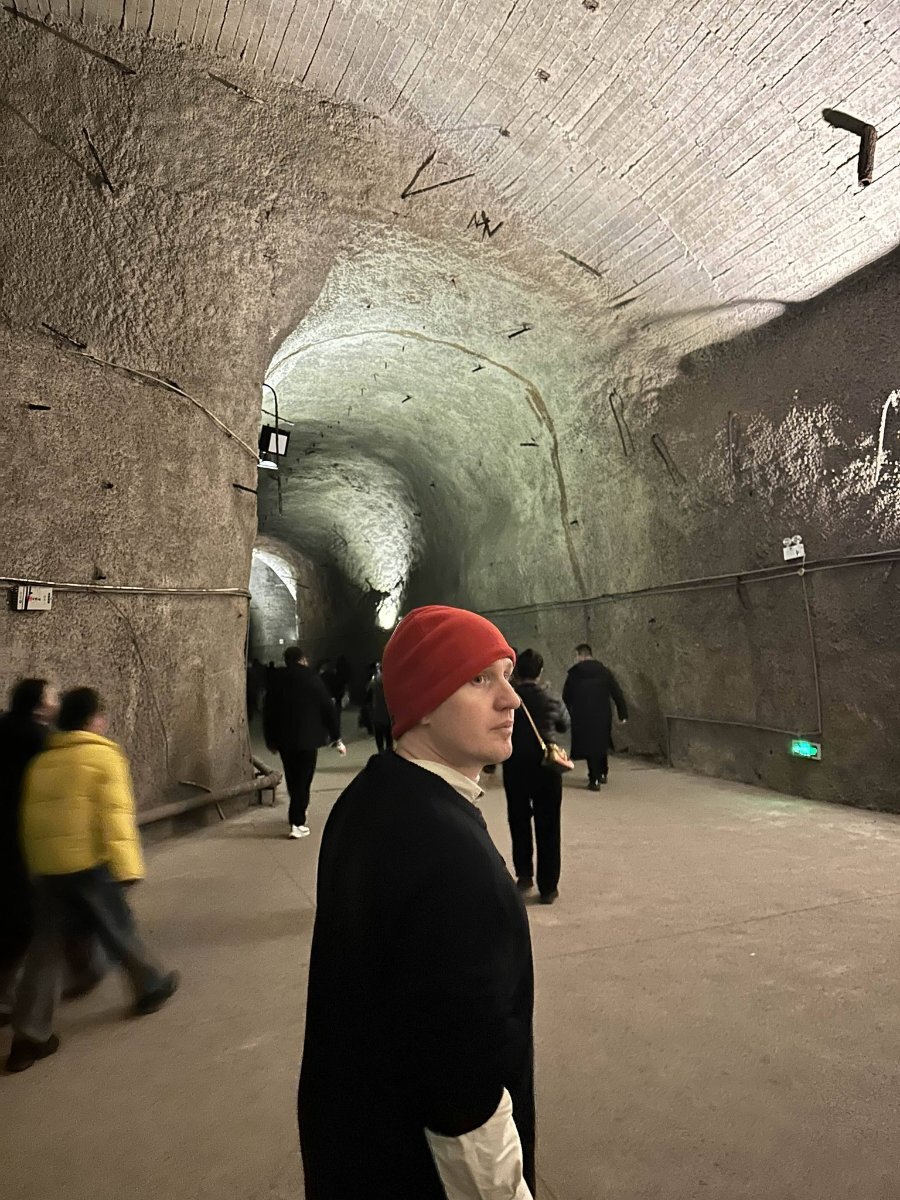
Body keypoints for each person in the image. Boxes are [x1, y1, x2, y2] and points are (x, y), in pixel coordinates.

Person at [298, 605, 535, 1200]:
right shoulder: (448, 855)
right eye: (480, 679)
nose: (511, 699)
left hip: (357, 1147)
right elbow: (464, 1090)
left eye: (506, 675)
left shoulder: (371, 795)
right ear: (425, 702)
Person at [8, 687, 179, 1073]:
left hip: (49, 869)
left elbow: (30, 820)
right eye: (101, 714)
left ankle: (28, 1038)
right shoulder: (103, 756)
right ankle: (150, 987)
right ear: (91, 719)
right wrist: (128, 868)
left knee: (45, 950)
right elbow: (115, 817)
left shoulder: (43, 760)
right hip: (89, 865)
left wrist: (37, 867)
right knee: (119, 928)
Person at [0, 679, 59, 1023]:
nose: (56, 700)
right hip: (23, 836)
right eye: (51, 696)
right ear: (38, 706)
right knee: (30, 921)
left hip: (6, 835)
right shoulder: (39, 740)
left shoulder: (5, 728)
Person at [502, 649, 570, 905]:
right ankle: (548, 886)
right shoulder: (551, 696)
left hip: (515, 765)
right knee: (549, 824)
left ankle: (524, 875)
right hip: (547, 767)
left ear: (518, 671)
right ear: (540, 671)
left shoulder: (509, 697)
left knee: (518, 820)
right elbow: (564, 724)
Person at [264, 646, 346, 839]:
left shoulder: (277, 680)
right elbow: (327, 706)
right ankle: (297, 821)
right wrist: (336, 736)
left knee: (292, 776)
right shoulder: (311, 678)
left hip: (284, 738)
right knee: (304, 778)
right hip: (308, 738)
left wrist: (270, 739)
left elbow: (269, 711)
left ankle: (298, 809)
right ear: (302, 659)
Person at [563, 643, 628, 790]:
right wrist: (622, 713)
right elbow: (616, 692)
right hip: (602, 714)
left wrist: (568, 712)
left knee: (589, 747)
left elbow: (566, 696)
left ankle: (594, 778)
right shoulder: (604, 671)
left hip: (582, 716)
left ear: (581, 655)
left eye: (576, 655)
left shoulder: (574, 673)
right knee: (601, 743)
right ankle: (603, 772)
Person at [368, 663, 393, 753]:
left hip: (376, 712)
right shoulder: (391, 682)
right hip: (388, 713)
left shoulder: (373, 682)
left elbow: (368, 697)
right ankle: (389, 753)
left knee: (379, 736)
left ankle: (381, 752)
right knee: (388, 737)